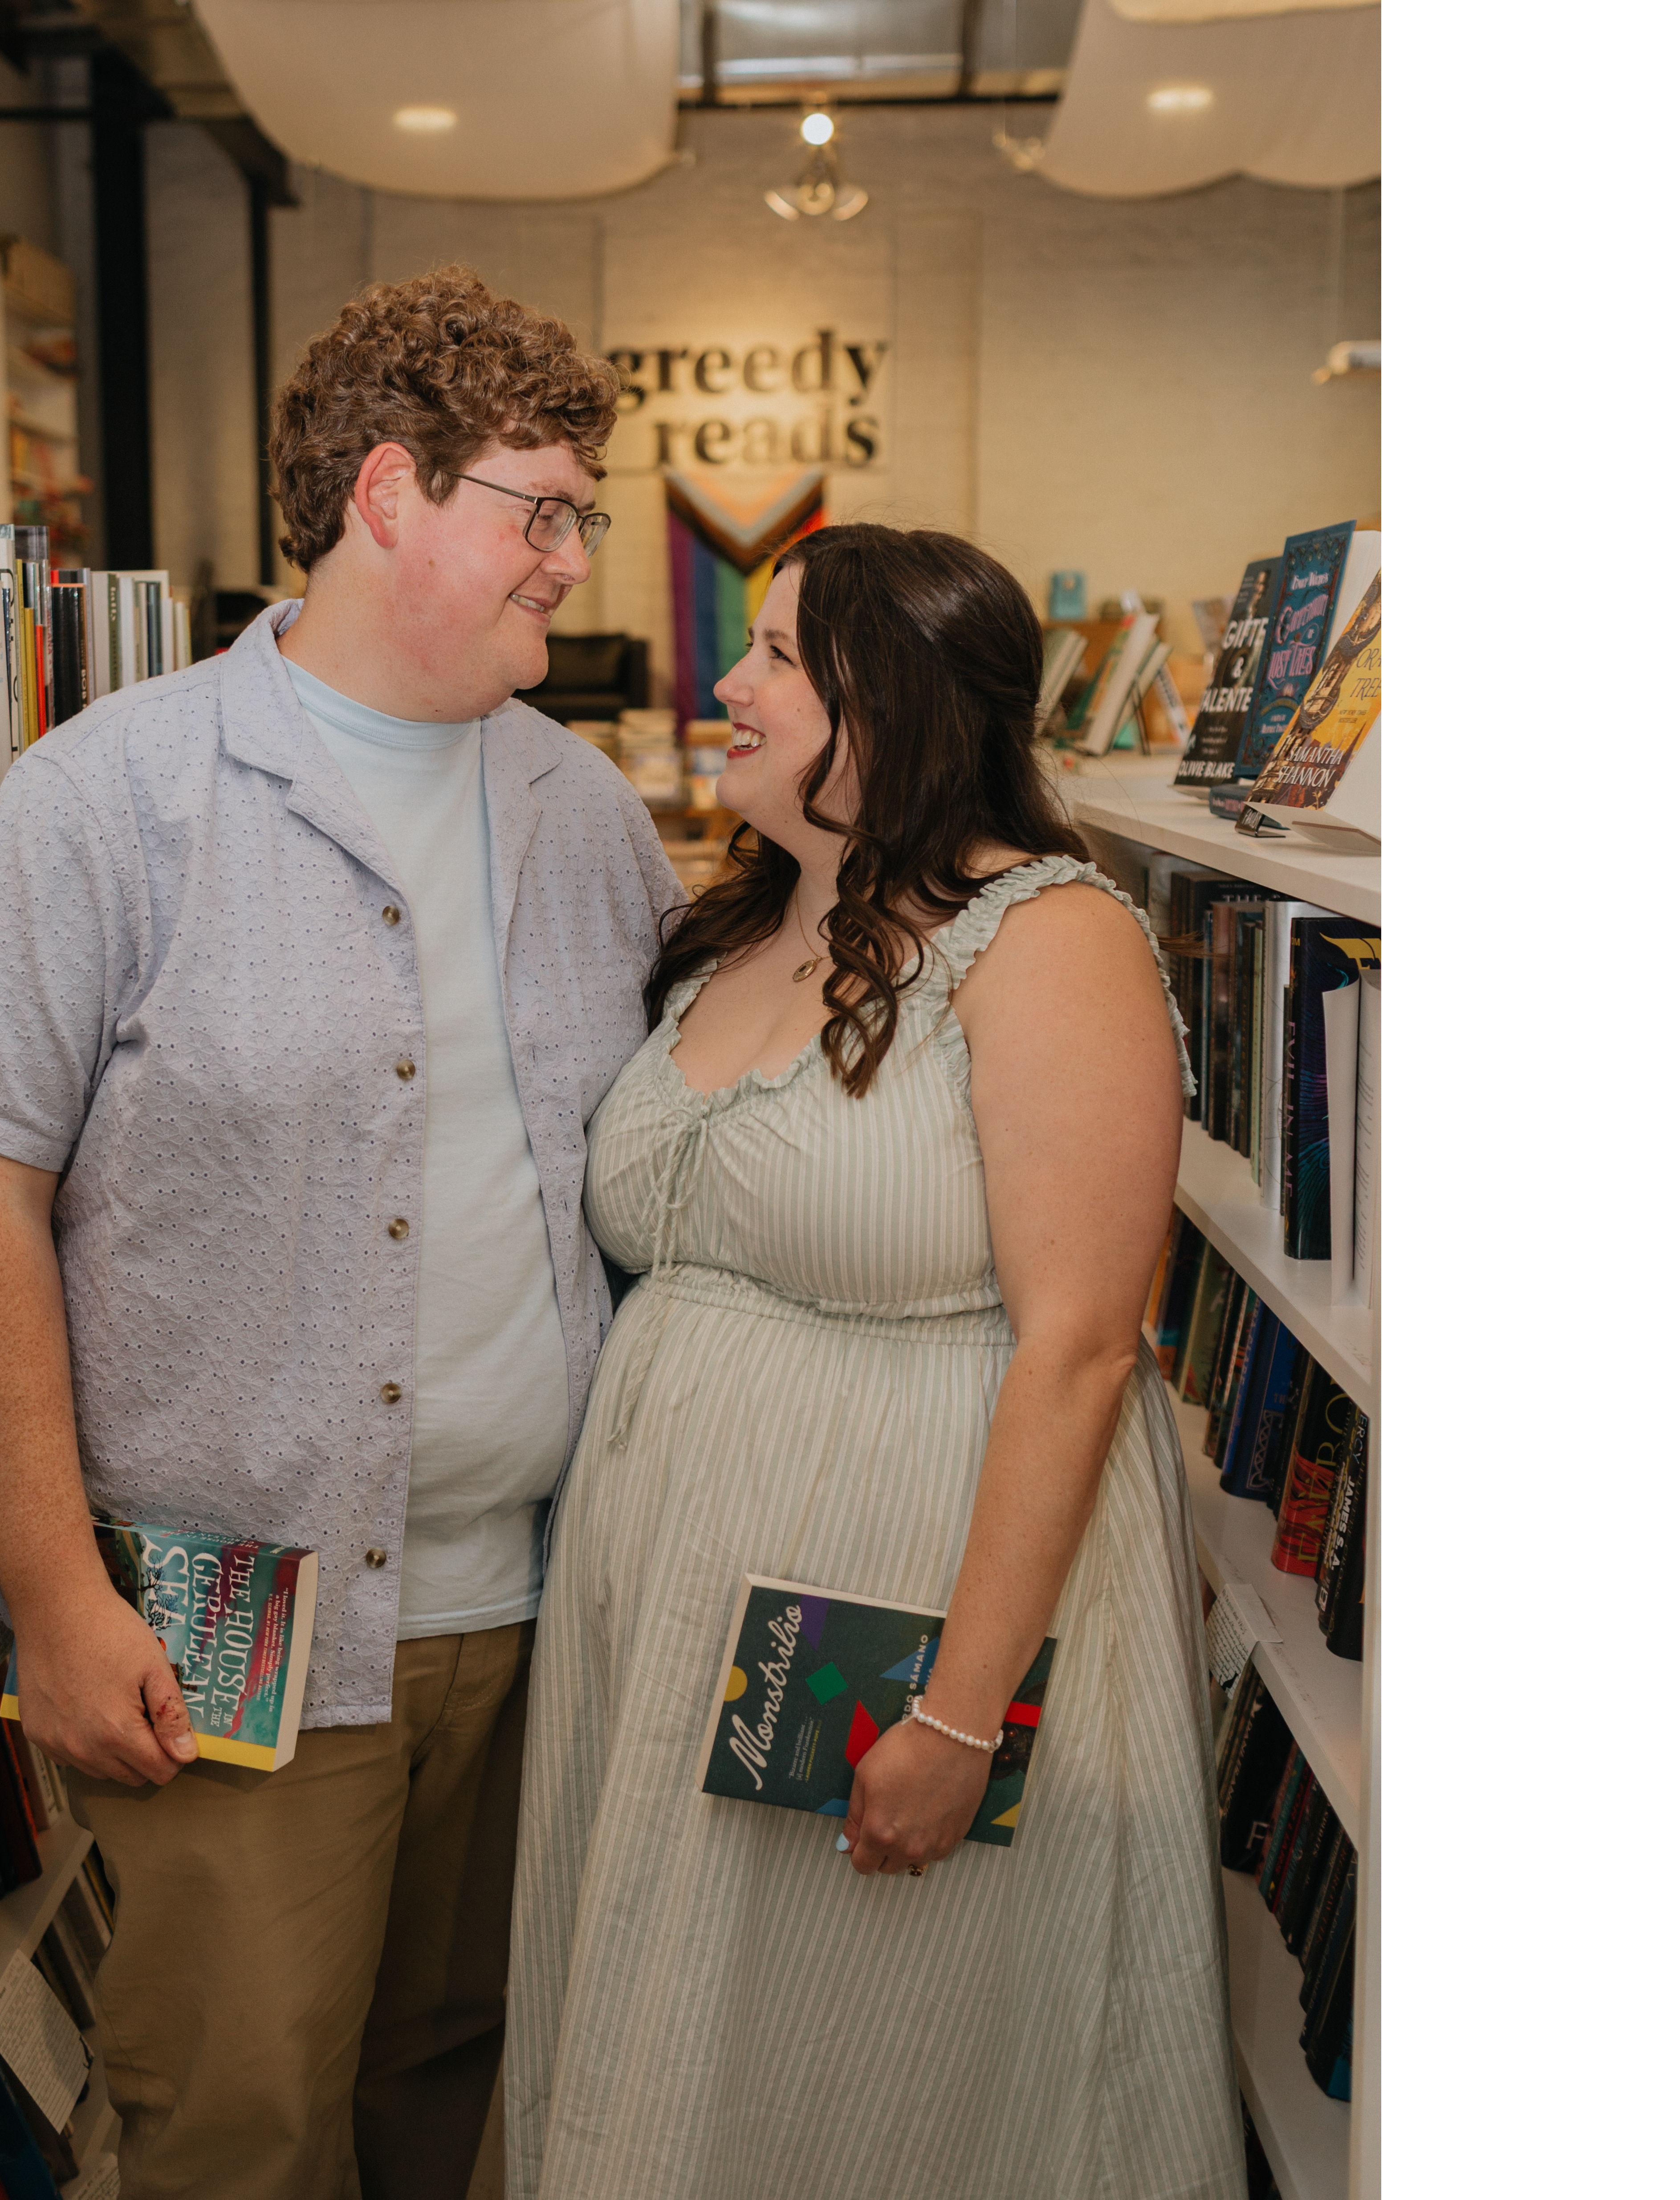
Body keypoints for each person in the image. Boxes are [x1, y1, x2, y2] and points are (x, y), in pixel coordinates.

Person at [0, 266, 685, 2200]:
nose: (574, 559)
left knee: (456, 2098)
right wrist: (54, 1587)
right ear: (391, 492)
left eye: (585, 515)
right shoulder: (114, 796)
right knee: (236, 2127)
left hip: (543, 1608)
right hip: (229, 1625)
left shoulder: (585, 813)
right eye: (545, 510)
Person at [504, 525, 1243, 2199]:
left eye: (778, 656)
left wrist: (959, 1720)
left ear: (895, 697)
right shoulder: (749, 924)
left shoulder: (1049, 939)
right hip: (671, 1607)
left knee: (883, 2067)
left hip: (900, 1608)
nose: (728, 683)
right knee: (685, 2052)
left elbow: (1081, 1348)